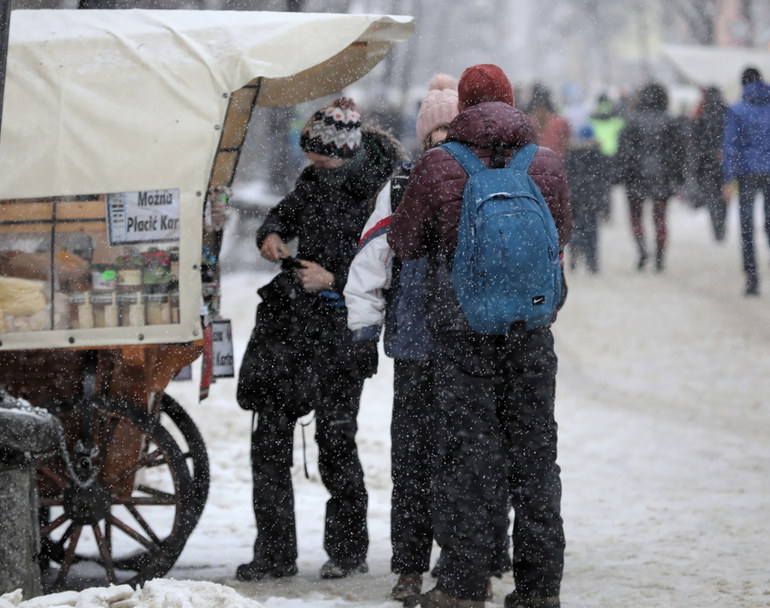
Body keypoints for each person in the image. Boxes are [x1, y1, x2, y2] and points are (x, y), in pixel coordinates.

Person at [388, 63, 571, 608]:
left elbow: (405, 243)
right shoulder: (546, 163)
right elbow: (560, 232)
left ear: (463, 107)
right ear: (512, 101)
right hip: (531, 329)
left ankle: (463, 586)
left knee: (468, 455)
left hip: (461, 330)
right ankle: (539, 589)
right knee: (537, 457)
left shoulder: (439, 165)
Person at [344, 75, 510, 604]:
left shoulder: (448, 182)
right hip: (422, 346)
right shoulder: (401, 187)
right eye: (432, 127)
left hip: (459, 343)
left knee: (457, 458)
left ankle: (461, 562)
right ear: (420, 134)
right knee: (419, 459)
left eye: (447, 125)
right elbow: (370, 266)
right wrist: (363, 328)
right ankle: (413, 564)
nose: (439, 136)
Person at [235, 97, 404, 581]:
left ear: (342, 154)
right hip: (290, 331)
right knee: (268, 439)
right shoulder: (313, 182)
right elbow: (282, 215)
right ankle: (274, 553)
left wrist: (332, 279)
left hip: (342, 336)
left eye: (319, 156)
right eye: (309, 156)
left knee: (335, 440)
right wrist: (270, 235)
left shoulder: (379, 195)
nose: (310, 164)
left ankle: (348, 551)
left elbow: (386, 271)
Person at [722, 66, 770, 296]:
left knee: (747, 227)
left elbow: (731, 147)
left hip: (747, 174)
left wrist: (728, 178)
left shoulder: (737, 110)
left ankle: (752, 278)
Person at [616, 81, 685, 272]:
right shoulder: (670, 121)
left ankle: (642, 249)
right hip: (661, 175)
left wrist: (622, 173)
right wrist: (678, 176)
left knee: (636, 216)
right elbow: (677, 152)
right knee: (660, 217)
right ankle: (660, 256)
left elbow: (625, 152)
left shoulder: (632, 120)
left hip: (636, 174)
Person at [564, 124, 609, 274]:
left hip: (575, 196)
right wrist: (604, 202)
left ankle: (575, 249)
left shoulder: (571, 154)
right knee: (592, 230)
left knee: (575, 227)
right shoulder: (598, 154)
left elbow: (566, 176)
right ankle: (592, 262)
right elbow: (603, 180)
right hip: (592, 198)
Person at [688, 87, 729, 242]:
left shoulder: (701, 111)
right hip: (724, 160)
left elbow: (694, 136)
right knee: (724, 194)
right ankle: (722, 223)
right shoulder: (726, 111)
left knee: (712, 195)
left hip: (706, 161)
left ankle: (717, 226)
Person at [527, 82, 572, 161]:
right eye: (537, 108)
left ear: (547, 109)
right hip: (537, 165)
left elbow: (568, 143)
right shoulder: (527, 123)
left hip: (555, 163)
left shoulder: (560, 123)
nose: (540, 112)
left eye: (542, 108)